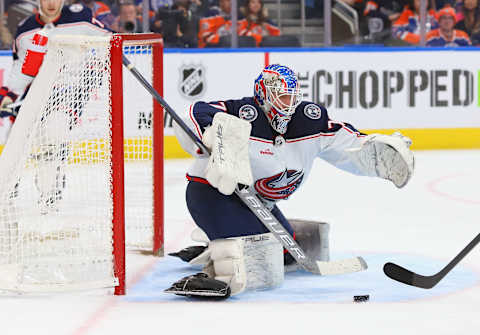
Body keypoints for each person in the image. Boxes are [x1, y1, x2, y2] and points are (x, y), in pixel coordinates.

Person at [167, 64, 415, 299]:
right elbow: (196, 112)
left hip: (257, 202)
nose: (289, 103)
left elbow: (346, 143)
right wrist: (214, 136)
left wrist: (378, 152)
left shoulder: (308, 119)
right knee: (260, 265)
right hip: (212, 195)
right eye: (282, 96)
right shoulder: (244, 112)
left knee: (286, 255)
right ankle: (215, 270)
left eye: (292, 96)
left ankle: (217, 244)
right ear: (263, 95)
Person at [0, 0, 110, 213]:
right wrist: (9, 96)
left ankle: (50, 197)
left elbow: (111, 40)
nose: (51, 3)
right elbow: (22, 70)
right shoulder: (25, 30)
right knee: (14, 141)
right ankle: (7, 193)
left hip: (67, 96)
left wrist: (96, 63)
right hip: (34, 99)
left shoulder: (81, 18)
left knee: (53, 135)